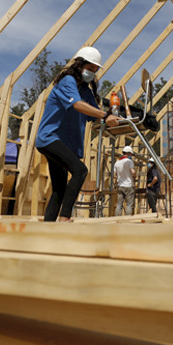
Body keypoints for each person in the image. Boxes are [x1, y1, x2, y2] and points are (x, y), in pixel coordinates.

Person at [35, 46, 119, 222]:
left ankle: (48, 227)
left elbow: (94, 116)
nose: (91, 73)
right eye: (89, 69)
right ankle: (65, 219)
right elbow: (78, 105)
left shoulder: (86, 91)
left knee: (59, 189)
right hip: (50, 138)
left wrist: (116, 120)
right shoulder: (68, 81)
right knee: (80, 171)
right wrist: (105, 115)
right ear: (79, 66)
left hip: (64, 144)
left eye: (94, 70)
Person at [114, 146, 137, 216]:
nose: (131, 156)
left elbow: (114, 175)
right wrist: (134, 176)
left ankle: (117, 219)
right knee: (129, 205)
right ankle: (127, 221)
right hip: (129, 185)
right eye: (131, 154)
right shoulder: (129, 161)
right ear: (128, 153)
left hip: (120, 185)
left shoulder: (117, 163)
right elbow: (133, 172)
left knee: (119, 205)